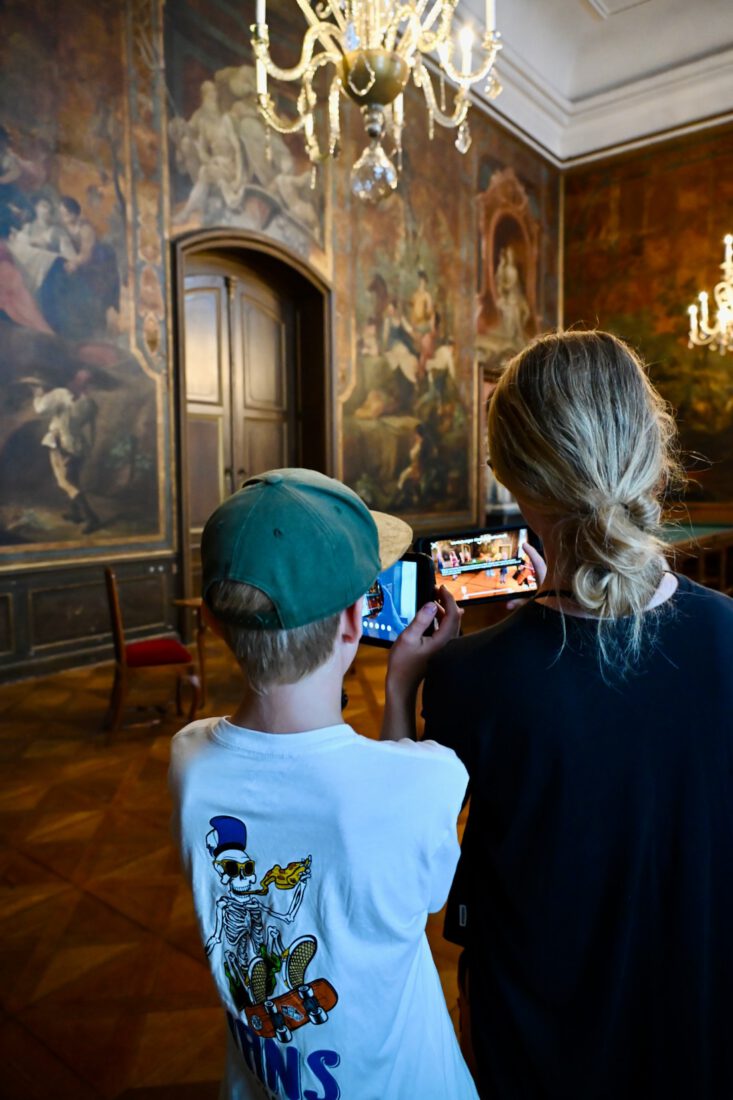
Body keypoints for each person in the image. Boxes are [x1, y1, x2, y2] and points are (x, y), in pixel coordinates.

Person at [385, 331, 733, 1099]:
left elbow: (407, 865)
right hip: (700, 1019)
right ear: (649, 448)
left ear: (511, 476)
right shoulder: (726, 636)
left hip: (540, 1043)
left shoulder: (470, 678)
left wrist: (400, 690)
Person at [168, 468, 478, 1100]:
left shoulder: (189, 761)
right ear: (354, 621)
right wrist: (402, 686)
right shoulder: (429, 780)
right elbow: (407, 880)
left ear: (212, 621)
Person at [22, 369, 101, 532]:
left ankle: (91, 517)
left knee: (65, 481)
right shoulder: (89, 401)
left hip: (62, 442)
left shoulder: (60, 394)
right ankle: (75, 513)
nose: (77, 382)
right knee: (72, 478)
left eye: (81, 380)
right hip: (77, 443)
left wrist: (38, 394)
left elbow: (41, 410)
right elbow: (85, 422)